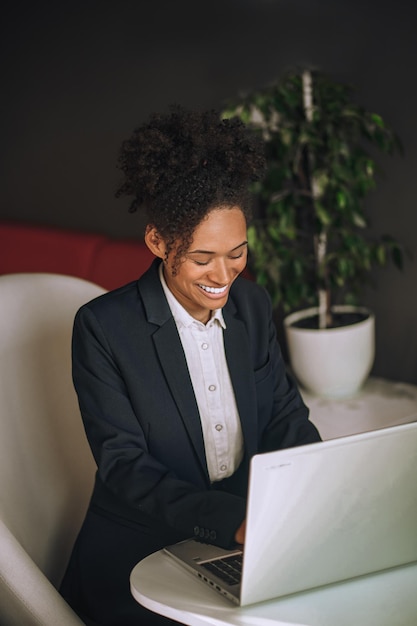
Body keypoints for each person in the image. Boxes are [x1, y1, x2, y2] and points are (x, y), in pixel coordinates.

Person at [60, 106, 321, 625]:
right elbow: (125, 466)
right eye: (203, 258)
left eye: (238, 252)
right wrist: (235, 522)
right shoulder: (102, 328)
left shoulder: (251, 306)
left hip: (244, 542)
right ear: (159, 243)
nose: (223, 274)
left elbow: (283, 417)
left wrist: (314, 491)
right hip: (140, 548)